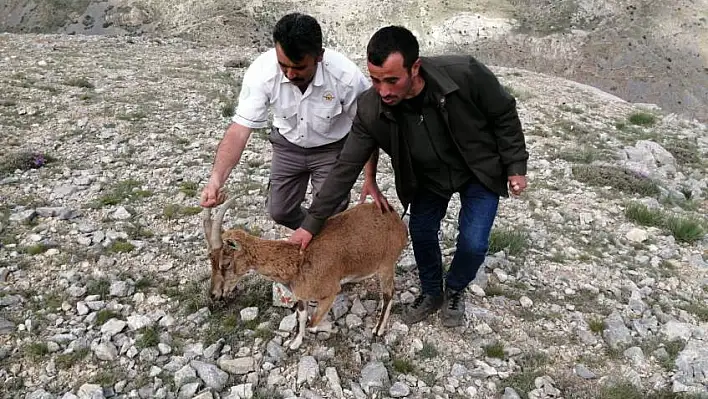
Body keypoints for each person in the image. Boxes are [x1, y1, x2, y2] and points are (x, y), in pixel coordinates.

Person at [288, 25, 529, 327]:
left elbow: (503, 114)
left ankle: (454, 287)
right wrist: (310, 225)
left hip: (478, 169)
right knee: (421, 231)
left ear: (415, 68)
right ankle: (431, 291)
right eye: (375, 80)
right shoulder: (370, 108)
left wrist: (515, 164)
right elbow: (344, 168)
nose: (383, 91)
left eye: (392, 80)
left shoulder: (465, 73)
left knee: (474, 243)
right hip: (427, 178)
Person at [200, 12, 381, 230]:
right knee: (280, 211)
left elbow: (367, 128)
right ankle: (320, 236)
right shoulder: (262, 72)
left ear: (319, 56)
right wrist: (216, 179)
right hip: (288, 145)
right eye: (283, 65)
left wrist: (370, 177)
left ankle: (325, 249)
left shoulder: (347, 77)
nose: (290, 74)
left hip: (332, 149)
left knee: (331, 211)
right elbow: (239, 131)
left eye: (299, 68)